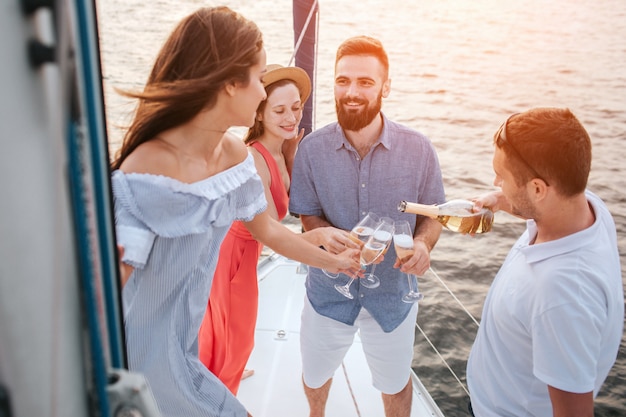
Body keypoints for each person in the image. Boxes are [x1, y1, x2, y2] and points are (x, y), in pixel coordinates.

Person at [110, 8, 360, 417]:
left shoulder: (233, 156)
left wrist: (332, 261)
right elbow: (109, 285)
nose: (264, 94)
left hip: (182, 352)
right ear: (228, 83)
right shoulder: (146, 170)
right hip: (139, 359)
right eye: (258, 79)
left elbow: (269, 232)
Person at [288, 35, 446, 417]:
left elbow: (433, 217)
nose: (351, 92)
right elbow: (307, 213)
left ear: (385, 87)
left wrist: (423, 246)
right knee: (314, 374)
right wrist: (331, 244)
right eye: (343, 81)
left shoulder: (419, 149)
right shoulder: (311, 149)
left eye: (365, 82)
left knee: (394, 384)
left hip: (393, 298)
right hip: (327, 294)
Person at [198, 64, 353, 394]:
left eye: (296, 108)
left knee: (237, 335)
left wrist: (294, 153)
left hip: (248, 253)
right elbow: (267, 231)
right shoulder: (254, 159)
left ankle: (226, 379)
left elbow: (296, 206)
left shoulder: (283, 148)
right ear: (259, 114)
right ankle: (223, 396)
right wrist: (323, 240)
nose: (291, 118)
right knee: (234, 335)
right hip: (232, 256)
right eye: (279, 110)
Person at [466, 108, 624, 417]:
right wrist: (499, 201)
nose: (496, 181)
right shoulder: (586, 204)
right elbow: (543, 198)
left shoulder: (563, 295)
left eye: (502, 176)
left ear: (538, 189)